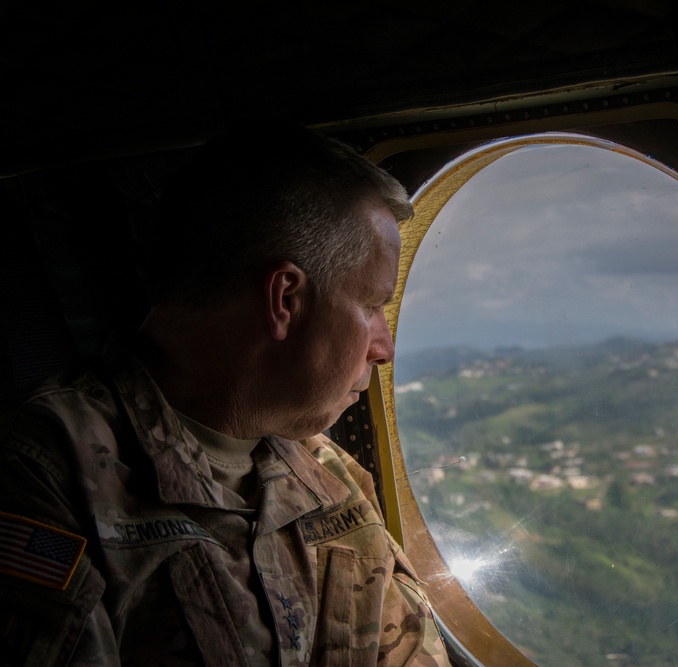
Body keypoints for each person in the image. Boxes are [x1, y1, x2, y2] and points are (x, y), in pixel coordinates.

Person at [0, 120, 450, 666]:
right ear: (285, 299)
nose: (384, 348)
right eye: (373, 306)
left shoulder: (328, 473)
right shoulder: (41, 470)